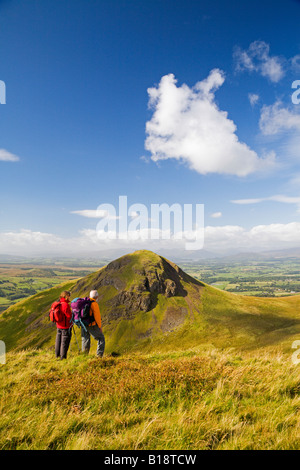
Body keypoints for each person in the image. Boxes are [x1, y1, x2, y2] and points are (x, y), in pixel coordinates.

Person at [81, 289, 105, 357]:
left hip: (83, 324)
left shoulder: (84, 302)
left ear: (89, 296)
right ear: (97, 297)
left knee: (85, 339)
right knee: (101, 338)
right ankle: (99, 356)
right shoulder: (94, 304)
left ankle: (84, 356)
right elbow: (97, 317)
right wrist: (100, 327)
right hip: (91, 325)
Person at [55, 290, 73, 360]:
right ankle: (63, 357)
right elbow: (68, 316)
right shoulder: (65, 305)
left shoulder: (59, 303)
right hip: (65, 326)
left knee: (58, 340)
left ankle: (57, 355)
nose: (69, 297)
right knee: (64, 342)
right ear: (67, 296)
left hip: (58, 325)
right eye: (69, 296)